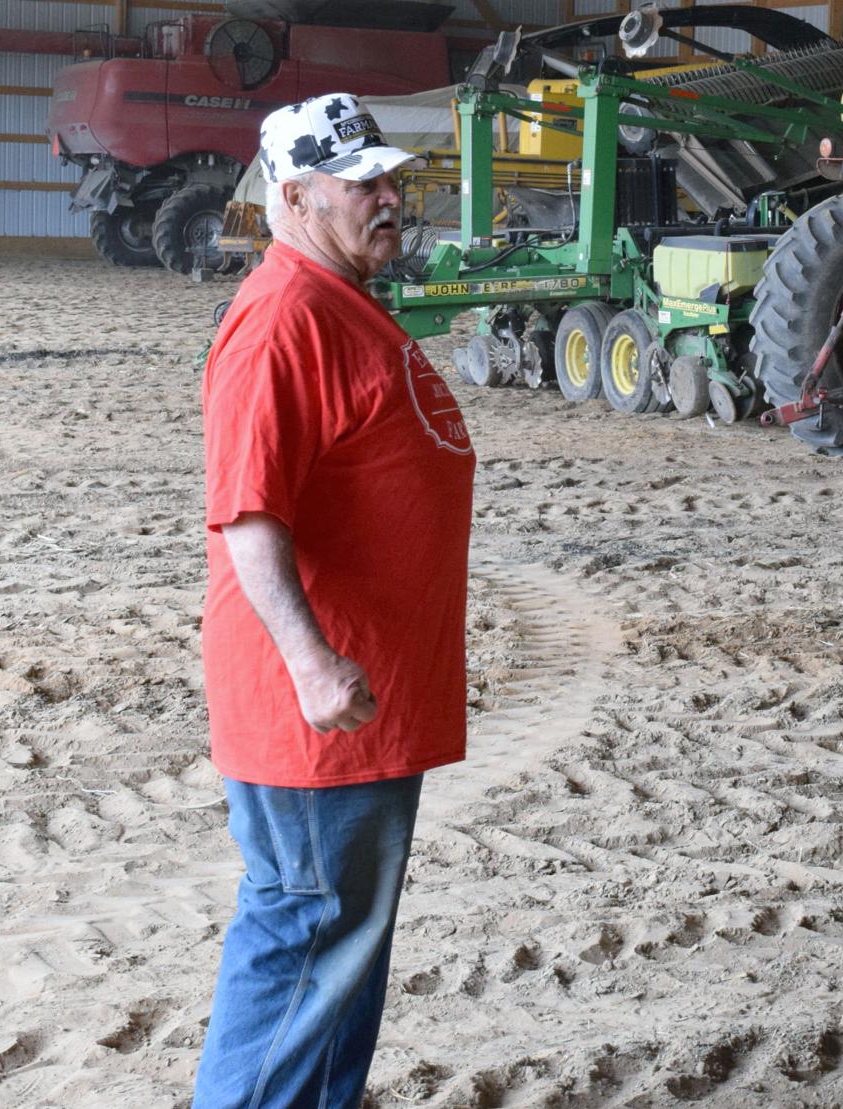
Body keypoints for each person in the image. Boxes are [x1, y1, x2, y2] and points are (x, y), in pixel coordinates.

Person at [193, 92, 475, 1108]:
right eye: (364, 184)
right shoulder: (282, 322)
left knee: (341, 941)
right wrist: (311, 663)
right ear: (296, 193)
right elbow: (248, 519)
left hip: (365, 702)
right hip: (319, 712)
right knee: (308, 931)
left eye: (391, 179)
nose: (390, 198)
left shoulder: (338, 301)